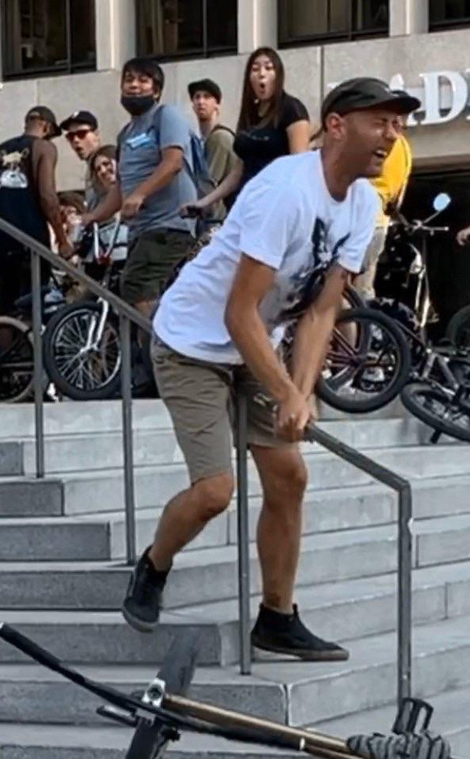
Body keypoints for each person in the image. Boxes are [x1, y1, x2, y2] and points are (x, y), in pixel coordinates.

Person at [122, 78, 420, 661]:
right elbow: (237, 312)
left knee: (290, 477)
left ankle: (277, 617)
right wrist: (284, 389)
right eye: (381, 121)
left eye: (399, 124)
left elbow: (321, 310)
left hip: (257, 345)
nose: (393, 134)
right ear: (336, 125)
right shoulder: (285, 189)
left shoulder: (362, 203)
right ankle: (154, 566)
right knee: (215, 490)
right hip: (192, 342)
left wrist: (300, 393)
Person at [83, 57, 196, 317]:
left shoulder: (166, 116)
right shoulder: (126, 134)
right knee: (139, 289)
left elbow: (173, 163)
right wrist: (92, 216)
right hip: (140, 231)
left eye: (143, 81)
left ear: (156, 90)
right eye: (129, 80)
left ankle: (156, 352)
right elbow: (120, 189)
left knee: (137, 285)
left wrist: (140, 195)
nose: (134, 86)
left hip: (169, 225)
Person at [186, 47, 310, 216]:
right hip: (247, 204)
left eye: (268, 68)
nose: (261, 74)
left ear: (278, 74)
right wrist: (205, 202)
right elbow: (239, 170)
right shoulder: (250, 113)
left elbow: (299, 167)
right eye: (255, 69)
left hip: (277, 206)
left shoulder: (291, 109)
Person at [0, 106, 69, 317]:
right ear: (46, 126)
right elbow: (47, 196)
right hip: (32, 240)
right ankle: (32, 349)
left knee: (5, 311)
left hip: (0, 241)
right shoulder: (44, 148)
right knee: (34, 306)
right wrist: (62, 240)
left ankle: (9, 349)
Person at [355, 110, 413, 300]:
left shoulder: (383, 144)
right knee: (364, 285)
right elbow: (398, 198)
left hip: (360, 215)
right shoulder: (406, 150)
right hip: (380, 221)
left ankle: (358, 327)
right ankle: (368, 325)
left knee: (340, 284)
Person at [188, 78, 240, 220]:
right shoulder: (203, 141)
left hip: (221, 218)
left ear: (217, 105)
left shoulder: (220, 138)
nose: (201, 101)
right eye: (197, 97)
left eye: (207, 97)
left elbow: (209, 185)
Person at [60, 110, 102, 209]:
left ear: (96, 134)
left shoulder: (105, 162)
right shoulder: (91, 165)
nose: (76, 140)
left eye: (81, 134)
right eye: (70, 136)